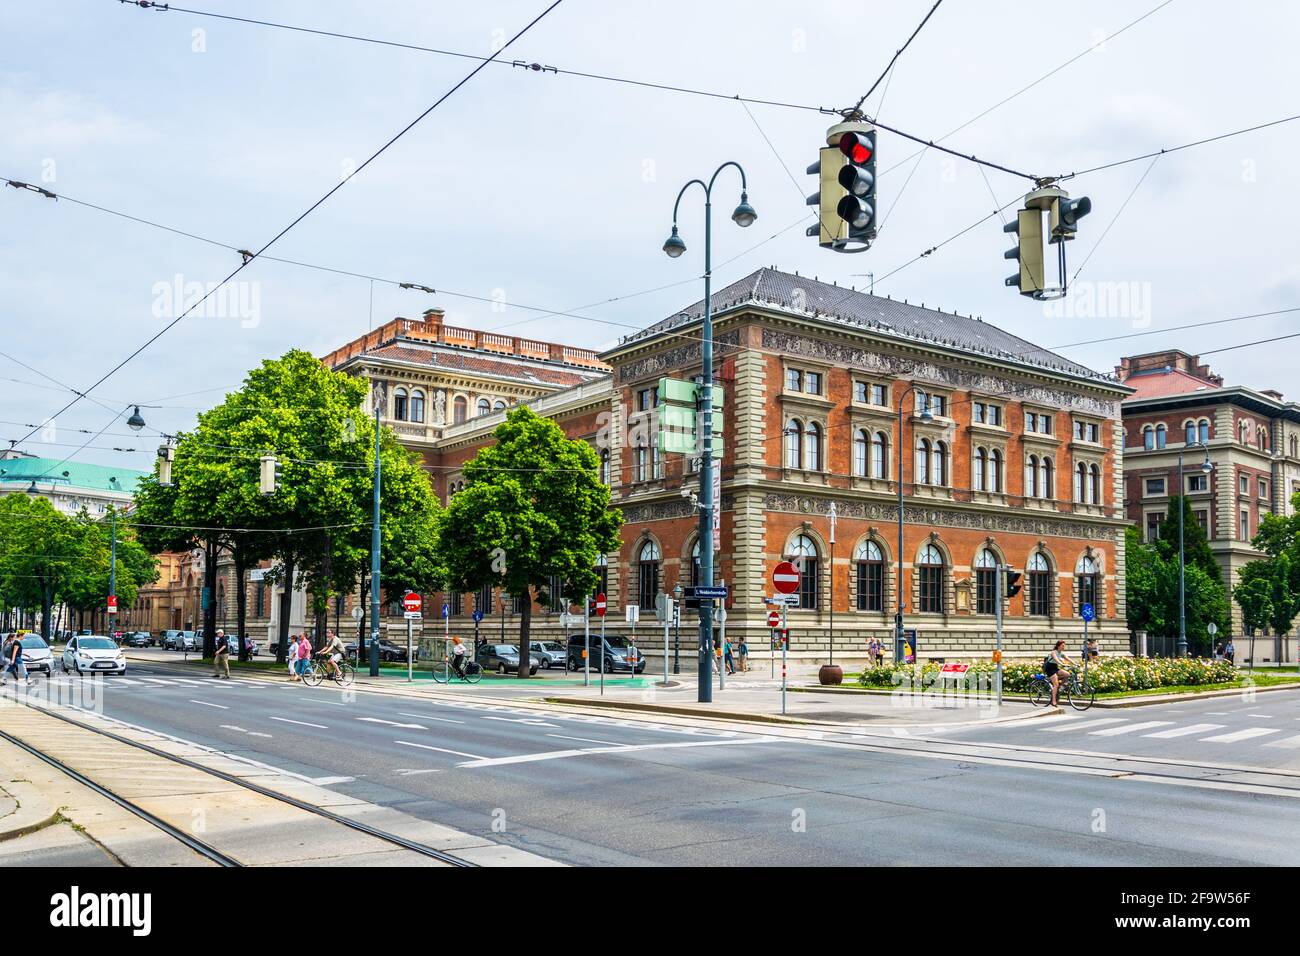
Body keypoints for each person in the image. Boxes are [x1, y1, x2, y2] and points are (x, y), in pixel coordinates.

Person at [1043, 639, 1074, 707]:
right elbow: (1056, 659)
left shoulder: (1061, 653)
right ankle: (1053, 701)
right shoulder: (1053, 652)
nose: (1064, 647)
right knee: (1055, 685)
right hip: (1049, 669)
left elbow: (1068, 659)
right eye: (1063, 646)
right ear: (1058, 646)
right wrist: (1062, 664)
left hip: (1055, 668)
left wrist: (1075, 664)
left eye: (1064, 646)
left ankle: (1059, 687)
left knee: (1067, 674)